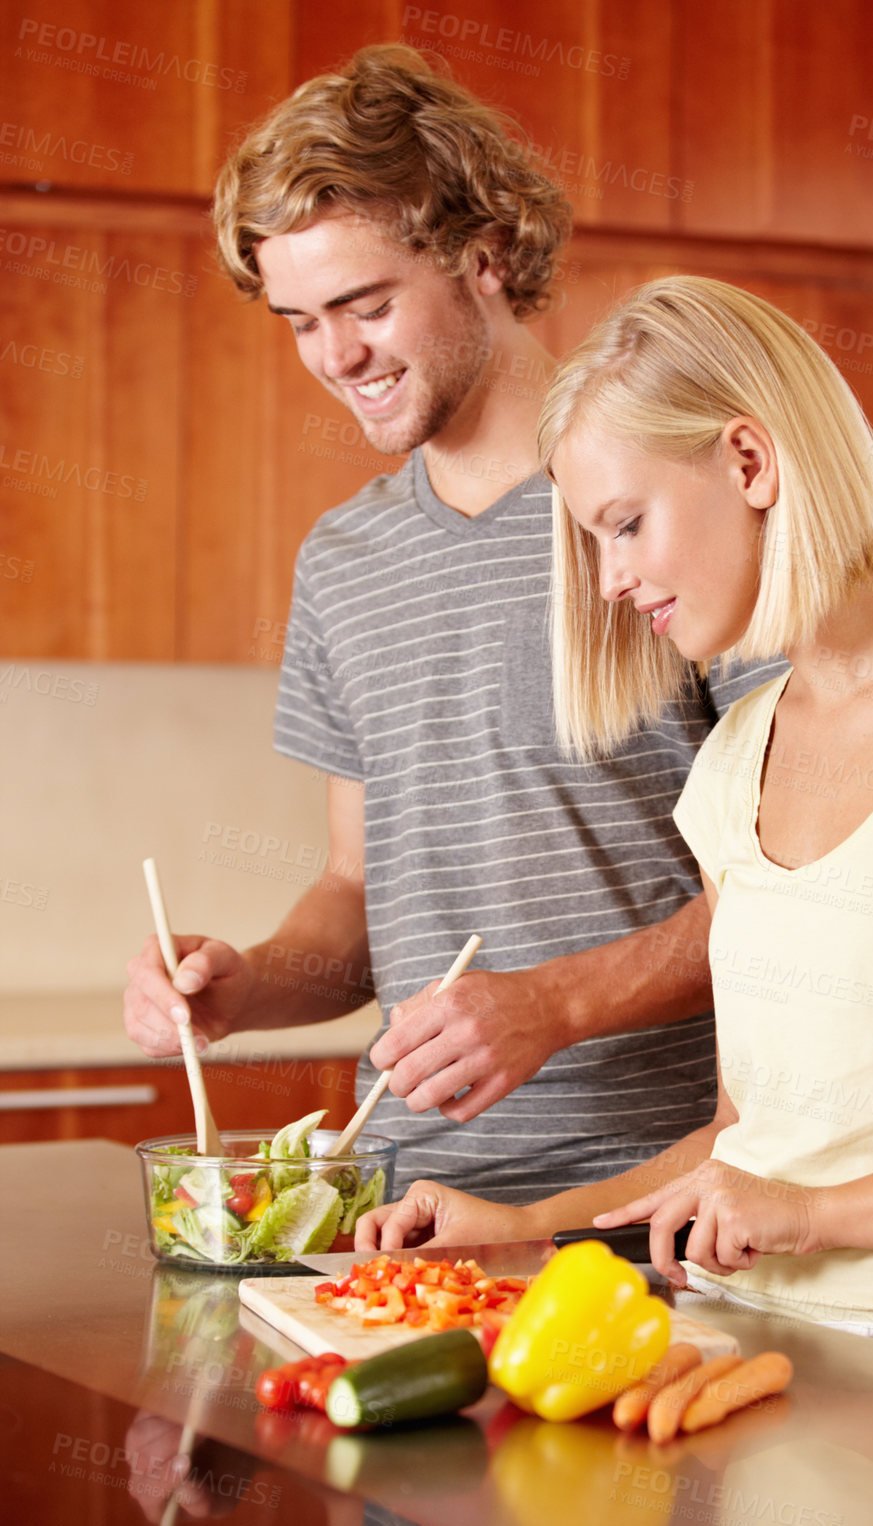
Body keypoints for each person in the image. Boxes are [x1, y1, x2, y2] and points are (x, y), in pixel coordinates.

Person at [361, 276, 873, 1389]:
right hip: (745, 1363)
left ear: (750, 463)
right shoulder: (738, 752)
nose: (610, 580)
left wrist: (810, 1215)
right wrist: (521, 1223)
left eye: (625, 525)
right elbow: (747, 1145)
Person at [122, 50, 783, 1200]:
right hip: (420, 1203)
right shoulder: (344, 560)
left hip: (674, 1193)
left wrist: (555, 1004)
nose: (336, 358)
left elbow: (799, 880)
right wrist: (247, 982)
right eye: (300, 322)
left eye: (366, 306)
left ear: (485, 256)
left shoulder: (667, 505)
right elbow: (356, 892)